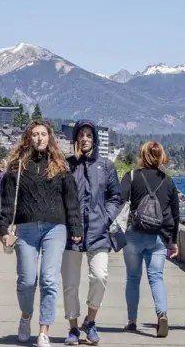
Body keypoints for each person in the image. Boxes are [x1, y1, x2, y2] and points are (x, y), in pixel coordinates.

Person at [0, 120, 83, 347]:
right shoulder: (16, 167)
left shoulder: (60, 167)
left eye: (43, 134)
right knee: (26, 280)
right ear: (28, 138)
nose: (39, 138)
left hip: (56, 228)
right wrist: (4, 229)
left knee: (49, 279)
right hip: (25, 229)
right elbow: (7, 203)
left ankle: (44, 329)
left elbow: (71, 201)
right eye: (35, 134)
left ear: (49, 137)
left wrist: (76, 228)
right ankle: (26, 316)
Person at [62, 120, 121, 345]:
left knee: (99, 276)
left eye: (89, 135)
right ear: (75, 138)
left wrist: (105, 218)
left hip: (99, 233)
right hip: (71, 234)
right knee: (70, 283)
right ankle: (74, 328)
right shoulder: (67, 166)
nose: (85, 139)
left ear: (94, 139)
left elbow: (115, 197)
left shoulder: (106, 166)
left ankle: (91, 320)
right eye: (81, 135)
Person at [119, 141, 181, 338]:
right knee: (156, 277)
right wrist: (173, 241)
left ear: (142, 155)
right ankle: (162, 314)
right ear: (161, 156)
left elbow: (119, 200)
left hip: (134, 235)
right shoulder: (168, 181)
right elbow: (175, 214)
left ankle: (131, 321)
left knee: (133, 278)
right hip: (159, 237)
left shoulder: (132, 176)